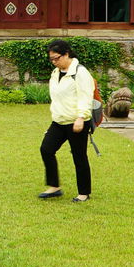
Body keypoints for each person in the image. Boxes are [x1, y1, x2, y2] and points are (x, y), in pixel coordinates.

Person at [38, 39, 94, 201]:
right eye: (52, 59)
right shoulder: (55, 73)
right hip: (59, 121)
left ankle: (84, 193)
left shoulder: (80, 72)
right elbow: (57, 99)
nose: (54, 62)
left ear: (67, 54)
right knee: (46, 149)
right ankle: (54, 186)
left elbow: (86, 96)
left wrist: (81, 117)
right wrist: (54, 119)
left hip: (77, 121)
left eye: (57, 58)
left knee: (79, 156)